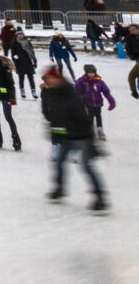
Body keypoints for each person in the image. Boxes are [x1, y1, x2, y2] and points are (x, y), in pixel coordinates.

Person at [41, 67, 107, 211]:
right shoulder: (52, 93)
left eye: (49, 79)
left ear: (57, 79)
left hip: (81, 136)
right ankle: (59, 190)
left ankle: (100, 197)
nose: (47, 82)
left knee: (86, 166)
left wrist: (91, 142)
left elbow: (84, 119)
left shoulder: (71, 95)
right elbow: (52, 116)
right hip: (66, 136)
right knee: (59, 162)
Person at [75, 64, 116, 141]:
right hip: (88, 103)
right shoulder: (82, 81)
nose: (91, 74)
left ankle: (100, 130)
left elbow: (106, 92)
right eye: (89, 72)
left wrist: (111, 102)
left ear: (95, 73)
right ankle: (90, 131)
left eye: (93, 72)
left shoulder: (99, 82)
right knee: (90, 117)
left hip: (98, 103)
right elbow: (77, 92)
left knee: (98, 116)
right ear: (86, 73)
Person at [10, 28, 39, 99]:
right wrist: (16, 60)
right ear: (17, 35)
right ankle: (22, 91)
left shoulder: (27, 41)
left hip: (28, 61)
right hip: (20, 63)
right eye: (19, 34)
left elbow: (32, 51)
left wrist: (34, 61)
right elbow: (13, 54)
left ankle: (33, 91)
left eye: (22, 34)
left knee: (31, 78)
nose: (21, 35)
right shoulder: (14, 42)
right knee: (21, 78)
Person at [122, 24, 139, 99]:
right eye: (130, 30)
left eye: (133, 29)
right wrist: (132, 56)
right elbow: (128, 48)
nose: (132, 31)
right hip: (137, 59)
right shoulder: (129, 38)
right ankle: (134, 91)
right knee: (132, 76)